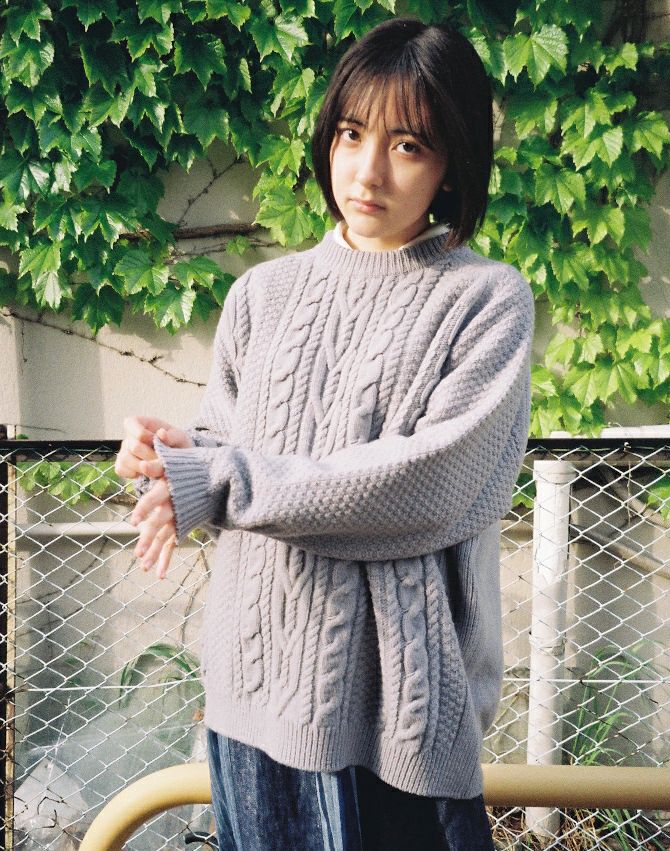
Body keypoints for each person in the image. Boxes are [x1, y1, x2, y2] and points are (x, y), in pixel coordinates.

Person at [115, 16, 534, 851]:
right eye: (350, 134)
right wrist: (172, 460)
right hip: (249, 701)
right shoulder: (262, 295)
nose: (367, 170)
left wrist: (221, 480)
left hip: (394, 722)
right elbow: (226, 447)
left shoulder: (485, 301)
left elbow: (422, 485)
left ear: (453, 164)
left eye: (407, 145)